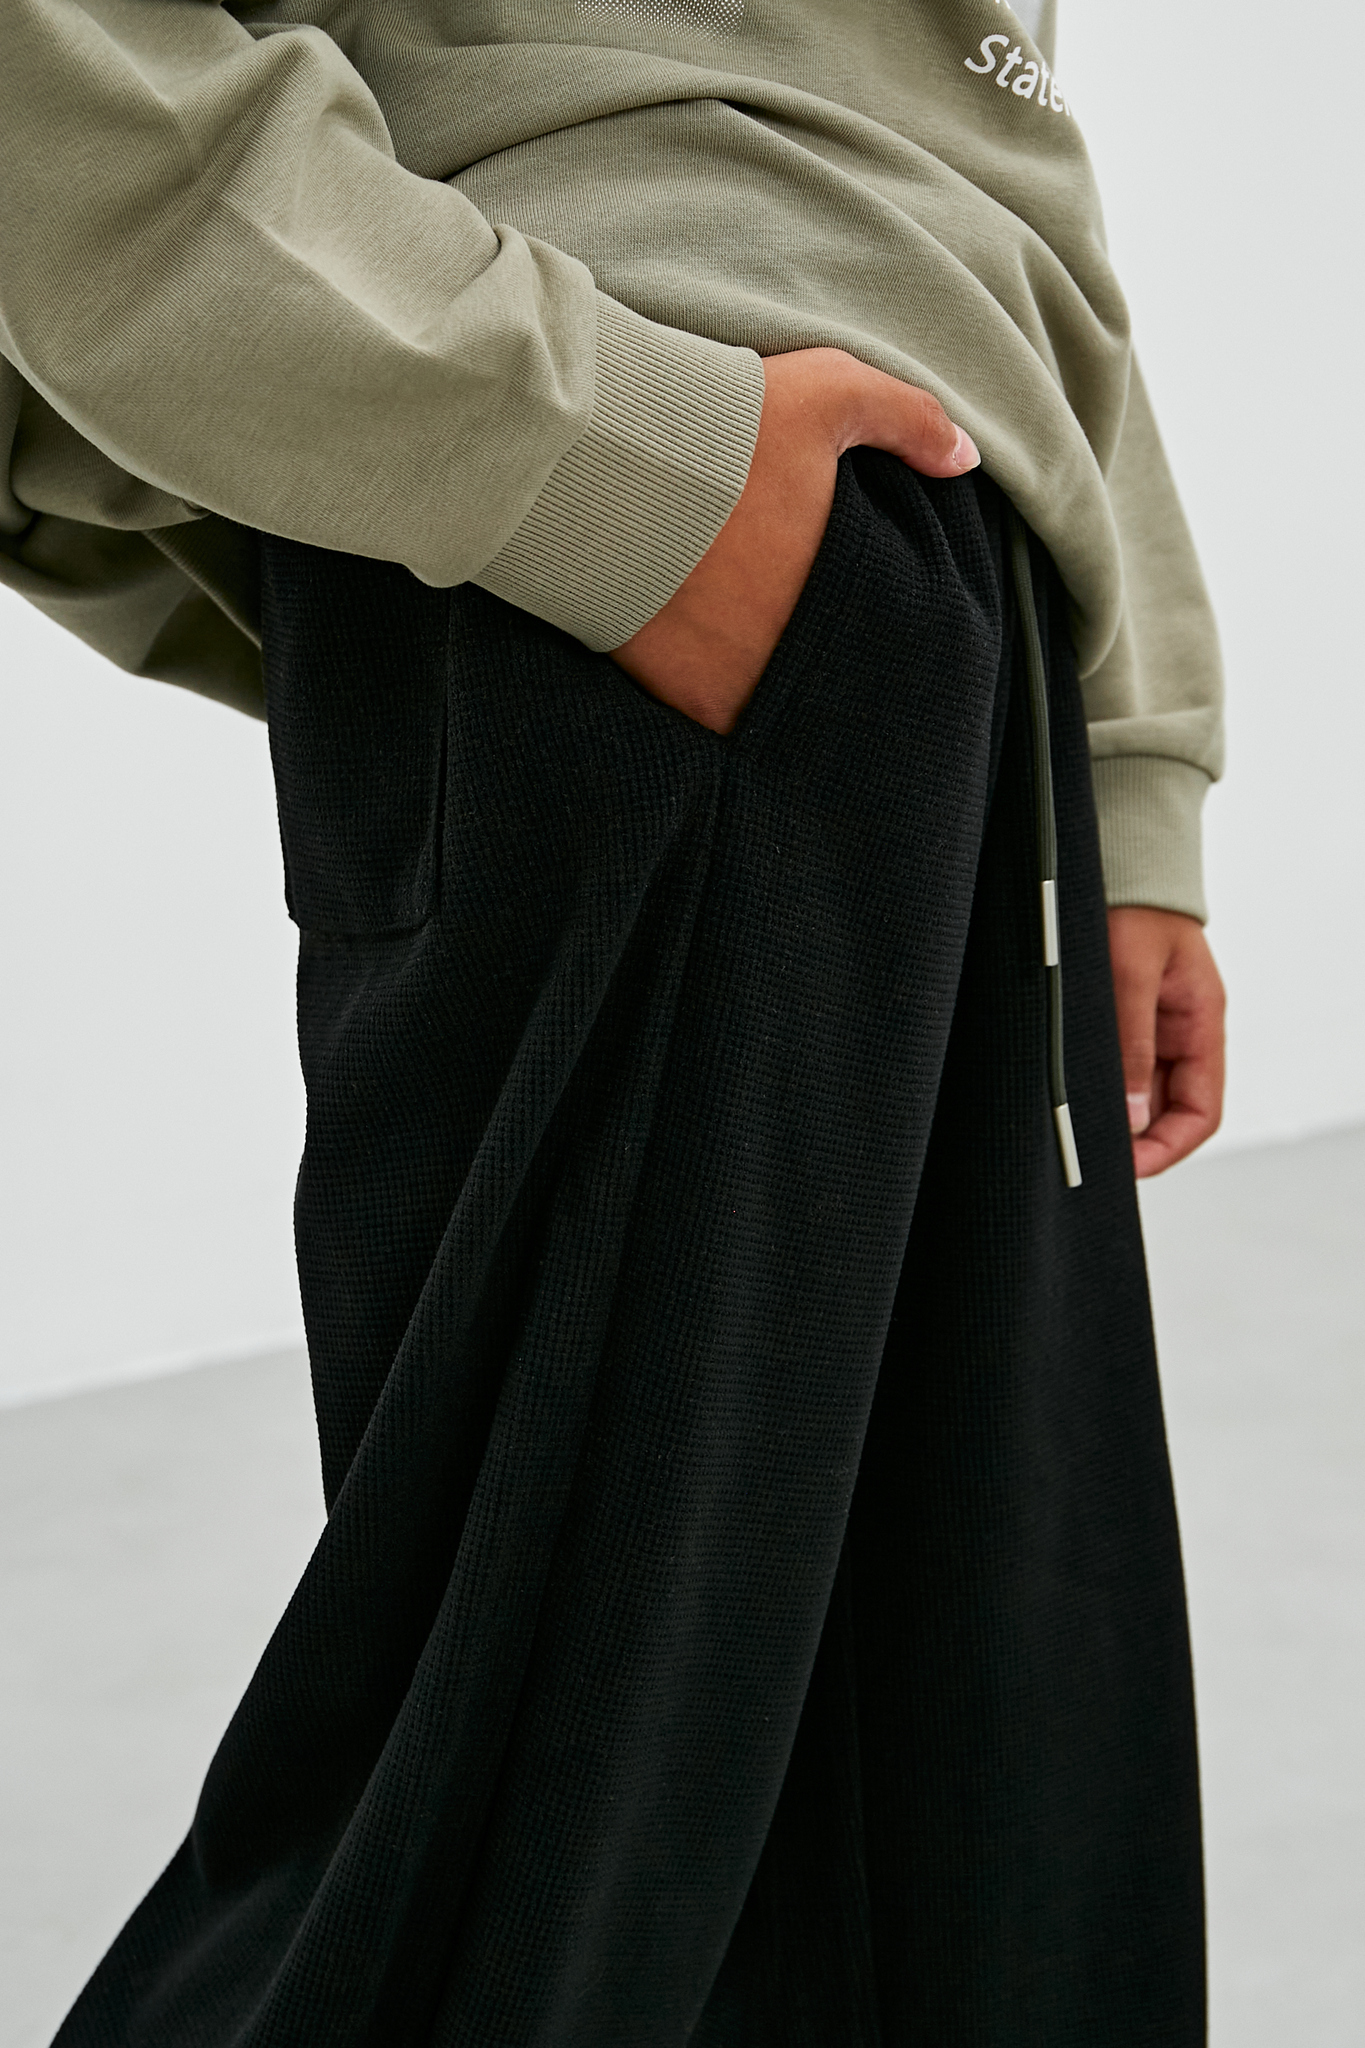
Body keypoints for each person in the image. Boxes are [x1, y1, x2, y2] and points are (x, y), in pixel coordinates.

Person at [2, 0, 1225, 2041]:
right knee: (528, 1853)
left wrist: (1125, 746)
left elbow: (990, 138)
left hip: (891, 538)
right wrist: (579, 452)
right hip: (656, 520)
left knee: (997, 1829)